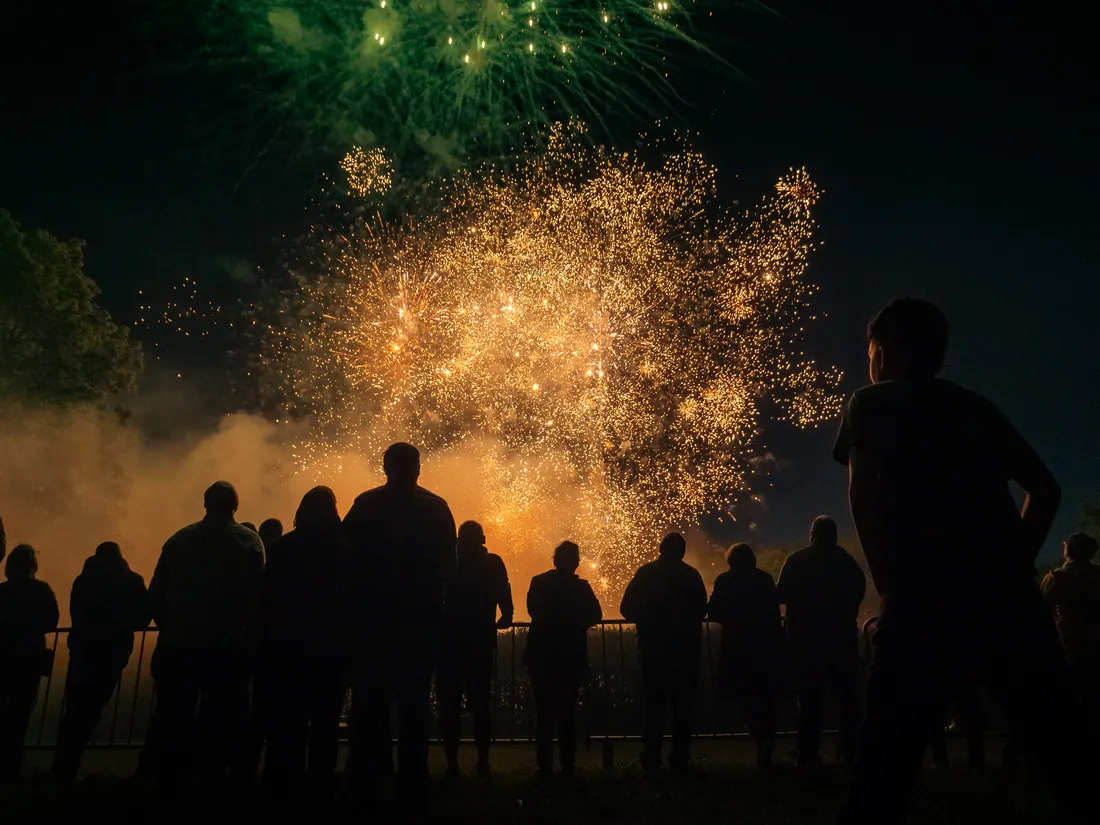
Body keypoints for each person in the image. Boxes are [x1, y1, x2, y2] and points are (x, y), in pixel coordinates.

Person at [833, 298, 1092, 824]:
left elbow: (863, 498)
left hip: (923, 598)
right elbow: (1045, 490)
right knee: (1066, 749)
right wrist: (1012, 562)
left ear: (882, 352)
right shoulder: (977, 408)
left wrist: (891, 583)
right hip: (1007, 601)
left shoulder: (872, 404)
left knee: (886, 759)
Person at [342, 442, 457, 793]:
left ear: (386, 467)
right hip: (418, 622)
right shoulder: (436, 508)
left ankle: (369, 776)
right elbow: (450, 568)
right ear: (418, 468)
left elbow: (344, 557)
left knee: (370, 702)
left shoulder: (365, 504)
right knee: (414, 705)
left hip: (373, 621)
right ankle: (413, 778)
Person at [146, 481, 264, 792]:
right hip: (228, 646)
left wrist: (171, 626)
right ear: (235, 506)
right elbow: (257, 597)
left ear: (206, 503)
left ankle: (172, 779)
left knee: (175, 714)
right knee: (225, 713)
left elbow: (157, 593)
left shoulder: (180, 540)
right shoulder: (249, 543)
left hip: (180, 643)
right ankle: (215, 776)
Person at [262, 487, 351, 797]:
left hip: (288, 647)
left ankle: (283, 782)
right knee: (326, 721)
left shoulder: (283, 548)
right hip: (330, 649)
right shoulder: (344, 551)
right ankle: (321, 783)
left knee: (288, 718)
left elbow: (267, 599)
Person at [52, 542, 149, 781]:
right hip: (113, 652)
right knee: (93, 706)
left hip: (83, 648)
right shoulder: (132, 581)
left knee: (75, 706)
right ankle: (68, 765)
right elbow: (142, 619)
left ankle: (63, 764)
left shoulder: (83, 580)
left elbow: (75, 612)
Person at [776, 515, 865, 769]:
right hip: (841, 640)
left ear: (812, 533)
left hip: (806, 642)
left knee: (809, 702)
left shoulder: (797, 560)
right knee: (847, 701)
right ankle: (849, 753)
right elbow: (858, 590)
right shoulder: (846, 563)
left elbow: (780, 594)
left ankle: (807, 755)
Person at [620, 533, 707, 771]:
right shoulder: (691, 575)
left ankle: (650, 758)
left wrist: (648, 621)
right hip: (685, 650)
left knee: (653, 705)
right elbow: (701, 609)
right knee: (683, 707)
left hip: (653, 648)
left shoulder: (646, 573)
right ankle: (679, 758)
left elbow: (626, 607)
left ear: (660, 549)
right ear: (682, 551)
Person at [438, 521, 513, 778]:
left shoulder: (449, 562)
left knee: (449, 704)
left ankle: (451, 764)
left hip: (449, 643)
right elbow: (504, 589)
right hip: (481, 640)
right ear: (482, 539)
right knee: (481, 703)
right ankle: (482, 761)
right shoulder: (493, 563)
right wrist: (507, 615)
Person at [525, 541, 602, 777]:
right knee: (567, 713)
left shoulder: (539, 583)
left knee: (544, 713)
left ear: (555, 560)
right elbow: (596, 614)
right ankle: (568, 764)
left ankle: (544, 765)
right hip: (570, 655)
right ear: (576, 563)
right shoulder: (581, 588)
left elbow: (532, 611)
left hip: (542, 655)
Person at [706, 543, 783, 771]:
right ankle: (765, 742)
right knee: (764, 696)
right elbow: (773, 612)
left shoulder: (725, 581)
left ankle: (759, 737)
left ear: (730, 561)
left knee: (744, 696)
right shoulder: (765, 579)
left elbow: (714, 611)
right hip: (764, 647)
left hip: (737, 647)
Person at [0, 544, 60, 780]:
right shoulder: (42, 590)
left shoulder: (2, 592)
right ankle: (12, 762)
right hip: (30, 657)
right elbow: (51, 621)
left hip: (3, 656)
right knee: (21, 711)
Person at [1041, 533, 1100, 735]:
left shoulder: (1055, 578)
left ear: (1071, 550)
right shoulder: (1097, 576)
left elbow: (1042, 611)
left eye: (1066, 543)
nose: (1063, 545)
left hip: (1067, 643)